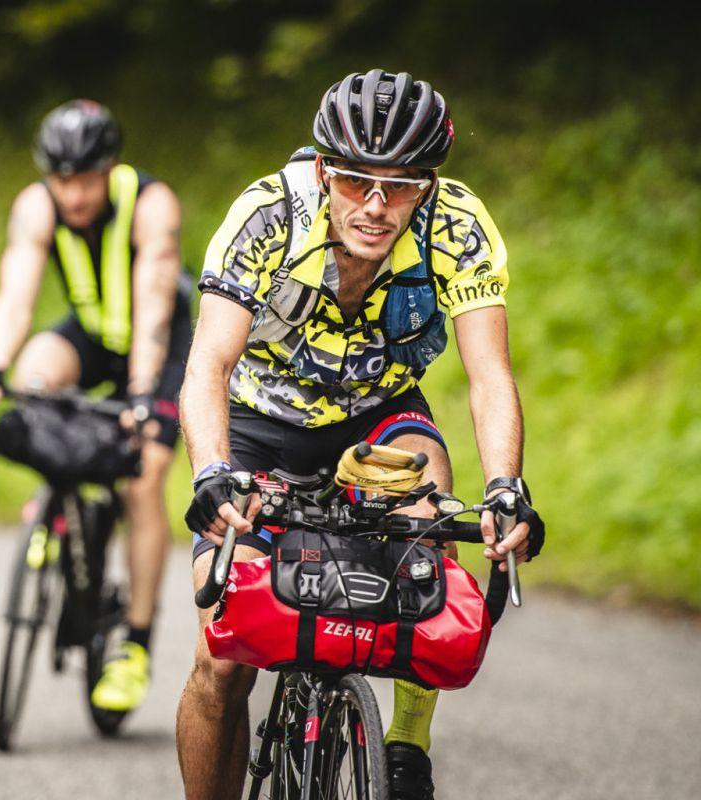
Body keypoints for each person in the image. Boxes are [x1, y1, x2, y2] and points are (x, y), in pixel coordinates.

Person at [175, 70, 546, 799]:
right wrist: (212, 471)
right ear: (322, 170)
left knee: (429, 513)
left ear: (428, 185)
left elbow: (489, 375)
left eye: (400, 187)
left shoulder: (459, 224)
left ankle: (406, 742)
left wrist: (506, 487)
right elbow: (207, 365)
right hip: (258, 424)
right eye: (354, 182)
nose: (376, 207)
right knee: (221, 659)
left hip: (378, 415)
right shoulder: (266, 215)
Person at [0, 99, 192, 714]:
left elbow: (153, 302)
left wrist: (141, 396)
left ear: (109, 168)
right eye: (62, 180)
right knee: (35, 375)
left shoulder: (152, 204)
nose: (74, 194)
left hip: (162, 342)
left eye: (86, 179)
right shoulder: (35, 206)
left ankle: (135, 645)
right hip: (94, 332)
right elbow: (15, 295)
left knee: (143, 477)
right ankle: (54, 506)